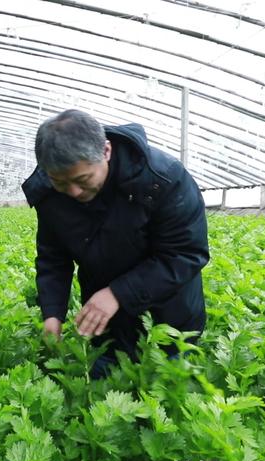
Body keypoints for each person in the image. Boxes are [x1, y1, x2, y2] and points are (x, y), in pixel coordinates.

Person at [22, 109, 209, 377]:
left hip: (169, 324)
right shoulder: (51, 192)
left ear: (106, 151)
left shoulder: (163, 180)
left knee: (164, 402)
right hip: (106, 328)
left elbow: (185, 254)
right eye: (61, 183)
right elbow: (54, 257)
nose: (73, 192)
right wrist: (52, 313)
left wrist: (119, 293)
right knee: (104, 397)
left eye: (82, 180)